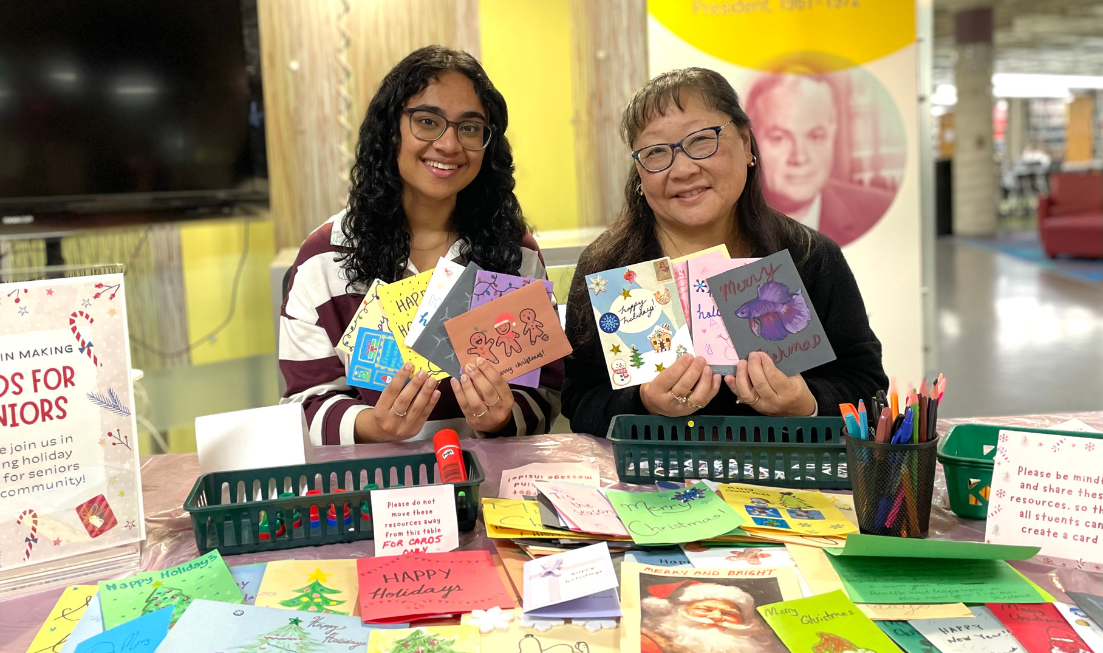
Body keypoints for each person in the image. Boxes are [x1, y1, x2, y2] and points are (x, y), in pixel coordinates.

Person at [563, 68, 887, 438]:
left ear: (747, 145)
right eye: (655, 153)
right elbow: (579, 400)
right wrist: (643, 404)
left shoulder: (809, 257)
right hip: (650, 487)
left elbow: (866, 386)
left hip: (787, 483)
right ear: (639, 172)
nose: (683, 169)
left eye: (701, 141)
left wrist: (806, 403)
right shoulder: (607, 266)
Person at [279, 46, 560, 445]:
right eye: (427, 122)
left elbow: (545, 394)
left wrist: (502, 417)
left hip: (488, 486)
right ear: (390, 130)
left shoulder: (516, 252)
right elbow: (304, 404)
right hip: (376, 487)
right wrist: (373, 426)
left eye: (469, 127)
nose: (448, 145)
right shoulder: (324, 256)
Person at [743, 73, 895, 247]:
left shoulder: (879, 209)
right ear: (749, 142)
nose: (800, 157)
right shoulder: (724, 223)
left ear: (833, 133)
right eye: (779, 138)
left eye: (815, 136)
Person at [640, 580, 787, 653]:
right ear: (678, 612)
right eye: (704, 609)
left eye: (728, 613)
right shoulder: (647, 643)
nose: (717, 617)